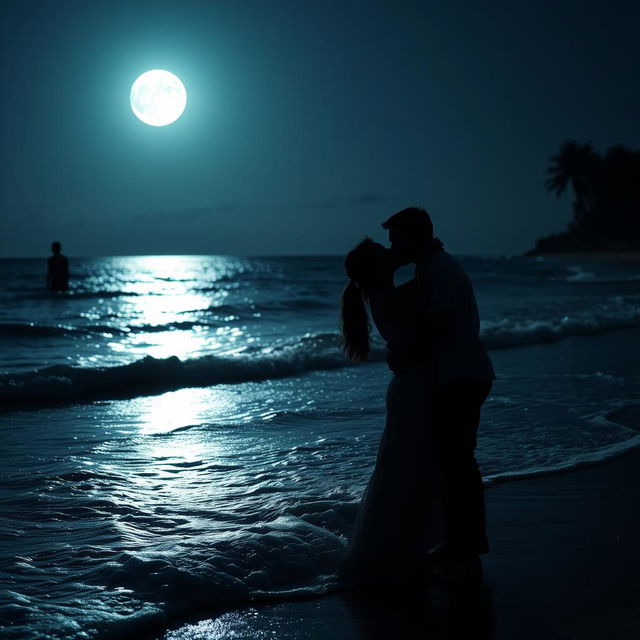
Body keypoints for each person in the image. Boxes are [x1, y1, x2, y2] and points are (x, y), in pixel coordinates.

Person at [382, 206, 495, 580]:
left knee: (458, 461)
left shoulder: (438, 268)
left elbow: (442, 322)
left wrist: (406, 352)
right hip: (462, 372)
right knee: (456, 460)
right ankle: (462, 542)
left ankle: (465, 545)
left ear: (415, 236)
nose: (393, 246)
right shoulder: (431, 266)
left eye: (396, 239)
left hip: (462, 374)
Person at [337, 238, 444, 587]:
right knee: (407, 469)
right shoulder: (388, 297)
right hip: (413, 390)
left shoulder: (384, 295)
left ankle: (405, 550)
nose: (389, 250)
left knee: (407, 468)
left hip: (413, 387)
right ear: (376, 267)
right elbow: (427, 293)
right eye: (381, 251)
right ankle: (398, 554)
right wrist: (425, 258)